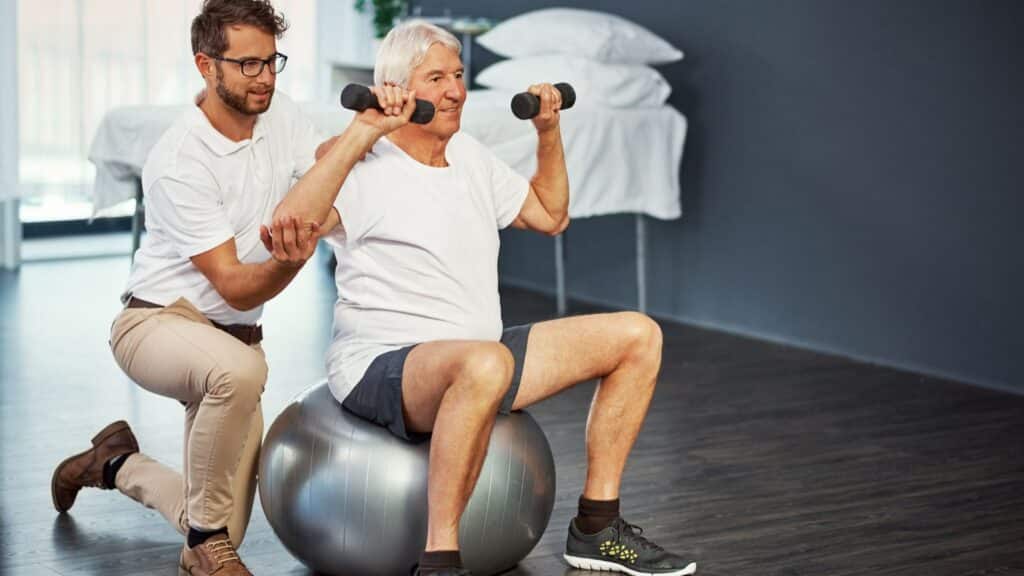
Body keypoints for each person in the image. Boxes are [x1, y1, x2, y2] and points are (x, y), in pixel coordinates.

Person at [273, 19, 698, 576]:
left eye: (458, 75)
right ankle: (440, 559)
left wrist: (548, 133)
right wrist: (361, 132)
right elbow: (291, 228)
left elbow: (550, 215)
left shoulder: (469, 155)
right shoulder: (363, 168)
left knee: (638, 336)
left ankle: (596, 527)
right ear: (400, 90)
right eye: (436, 79)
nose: (455, 91)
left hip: (480, 352)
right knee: (485, 361)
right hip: (383, 365)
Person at [50, 1, 339, 574]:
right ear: (206, 66)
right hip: (156, 323)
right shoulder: (179, 159)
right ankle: (204, 542)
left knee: (218, 524)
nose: (265, 79)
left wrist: (362, 141)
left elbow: (322, 167)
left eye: (272, 62)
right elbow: (234, 284)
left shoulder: (280, 112)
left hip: (234, 339)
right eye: (248, 66)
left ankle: (113, 464)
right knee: (240, 376)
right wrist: (298, 252)